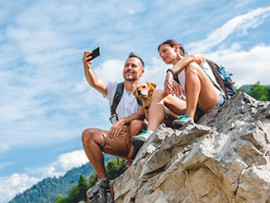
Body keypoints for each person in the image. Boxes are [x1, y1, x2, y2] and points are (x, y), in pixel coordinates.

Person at [131, 40, 226, 148]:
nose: (162, 55)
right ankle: (150, 132)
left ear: (176, 48)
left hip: (212, 100)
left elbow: (190, 59)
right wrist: (174, 83)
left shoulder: (197, 59)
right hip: (195, 108)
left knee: (191, 66)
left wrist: (170, 73)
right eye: (160, 54)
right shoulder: (175, 78)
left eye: (164, 51)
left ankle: (188, 118)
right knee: (157, 93)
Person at [81, 51, 147, 198]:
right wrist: (87, 67)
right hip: (120, 139)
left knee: (136, 123)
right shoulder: (115, 89)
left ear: (141, 72)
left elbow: (142, 113)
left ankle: (130, 164)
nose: (129, 68)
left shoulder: (145, 89)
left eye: (133, 66)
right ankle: (103, 181)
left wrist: (122, 121)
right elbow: (95, 83)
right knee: (88, 134)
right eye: (126, 65)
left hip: (139, 137)